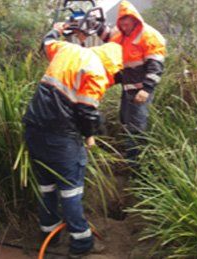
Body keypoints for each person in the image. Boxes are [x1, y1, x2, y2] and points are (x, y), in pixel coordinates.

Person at [22, 23, 123, 258]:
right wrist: (90, 136)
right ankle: (81, 243)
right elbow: (87, 111)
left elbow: (47, 43)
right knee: (71, 190)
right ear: (114, 65)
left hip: (34, 128)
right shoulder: (97, 72)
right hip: (61, 137)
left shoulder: (69, 50)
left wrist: (57, 29)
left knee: (46, 185)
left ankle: (50, 233)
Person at [98, 0, 166, 169]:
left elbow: (155, 66)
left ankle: (135, 167)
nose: (124, 25)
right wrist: (94, 24)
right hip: (128, 88)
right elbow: (108, 37)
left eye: (127, 22)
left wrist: (147, 89)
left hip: (141, 90)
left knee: (136, 127)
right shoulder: (122, 36)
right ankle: (130, 158)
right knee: (126, 120)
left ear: (135, 20)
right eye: (122, 22)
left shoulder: (149, 36)